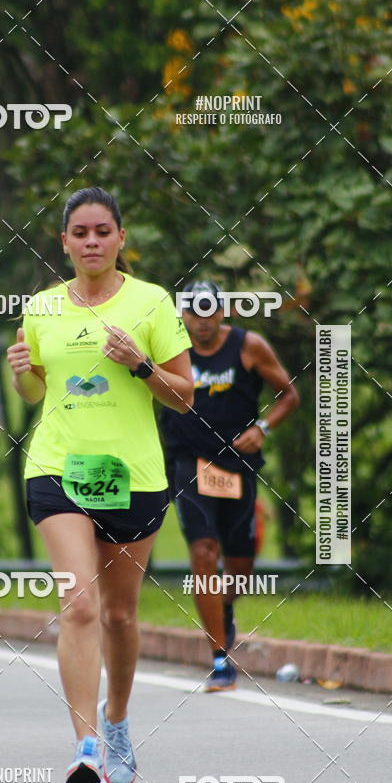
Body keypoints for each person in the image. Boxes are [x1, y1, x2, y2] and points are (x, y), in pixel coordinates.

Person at [7, 186, 193, 783]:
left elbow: (183, 396)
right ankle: (85, 744)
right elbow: (35, 393)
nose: (91, 242)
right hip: (57, 469)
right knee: (80, 604)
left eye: (102, 232)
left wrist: (141, 364)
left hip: (131, 475)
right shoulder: (40, 307)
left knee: (118, 613)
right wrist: (23, 377)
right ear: (63, 242)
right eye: (80, 233)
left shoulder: (152, 301)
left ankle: (116, 720)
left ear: (120, 238)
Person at [161, 281, 300, 691]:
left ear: (223, 311)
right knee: (204, 552)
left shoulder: (248, 346)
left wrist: (263, 428)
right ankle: (220, 659)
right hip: (189, 462)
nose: (202, 321)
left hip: (238, 464)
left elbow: (289, 395)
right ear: (182, 315)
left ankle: (221, 608)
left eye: (210, 311)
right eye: (193, 312)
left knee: (240, 569)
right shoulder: (169, 348)